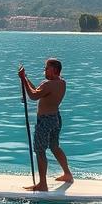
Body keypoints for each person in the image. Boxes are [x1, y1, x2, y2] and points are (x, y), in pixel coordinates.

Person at [18, 58, 73, 191]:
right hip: (56, 118)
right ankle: (67, 174)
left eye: (46, 68)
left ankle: (43, 184)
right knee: (54, 146)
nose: (44, 70)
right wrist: (25, 78)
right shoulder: (62, 83)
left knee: (40, 150)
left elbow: (33, 96)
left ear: (54, 70)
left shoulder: (48, 84)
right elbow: (37, 91)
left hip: (45, 121)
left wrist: (23, 79)